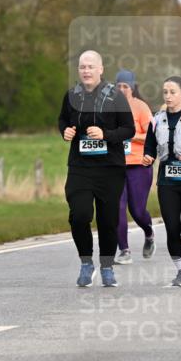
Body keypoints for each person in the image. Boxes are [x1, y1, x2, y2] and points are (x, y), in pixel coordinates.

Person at [58, 50, 135, 287]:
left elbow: (128, 129)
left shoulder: (115, 96)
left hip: (109, 168)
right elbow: (63, 120)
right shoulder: (72, 95)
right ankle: (86, 262)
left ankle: (107, 266)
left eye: (91, 67)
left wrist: (106, 135)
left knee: (107, 220)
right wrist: (66, 131)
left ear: (101, 69)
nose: (86, 71)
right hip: (80, 167)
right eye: (82, 67)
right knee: (79, 215)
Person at [142, 76, 181, 285]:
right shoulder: (157, 119)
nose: (168, 96)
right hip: (166, 181)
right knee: (171, 228)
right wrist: (148, 157)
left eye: (172, 92)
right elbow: (149, 145)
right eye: (165, 92)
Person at [113, 70, 156, 264]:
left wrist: (129, 134)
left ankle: (148, 233)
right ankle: (124, 250)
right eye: (119, 86)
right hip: (115, 165)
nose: (122, 90)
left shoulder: (140, 107)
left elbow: (151, 136)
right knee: (117, 208)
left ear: (132, 88)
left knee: (137, 210)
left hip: (139, 164)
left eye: (125, 86)